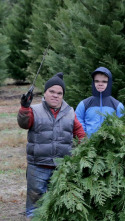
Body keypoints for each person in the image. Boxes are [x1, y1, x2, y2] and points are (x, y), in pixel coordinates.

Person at [17, 72, 86, 219]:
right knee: (35, 205)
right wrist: (24, 108)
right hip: (38, 166)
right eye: (52, 92)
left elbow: (80, 134)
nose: (55, 95)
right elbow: (24, 123)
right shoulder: (34, 110)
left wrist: (86, 150)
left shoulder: (70, 112)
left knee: (57, 204)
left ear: (63, 95)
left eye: (59, 93)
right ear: (45, 93)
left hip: (61, 168)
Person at [75, 67, 124, 137]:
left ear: (109, 82)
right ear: (93, 82)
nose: (100, 84)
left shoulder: (117, 105)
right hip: (87, 145)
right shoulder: (84, 104)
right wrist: (84, 138)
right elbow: (78, 123)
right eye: (97, 81)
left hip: (109, 145)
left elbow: (121, 127)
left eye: (104, 81)